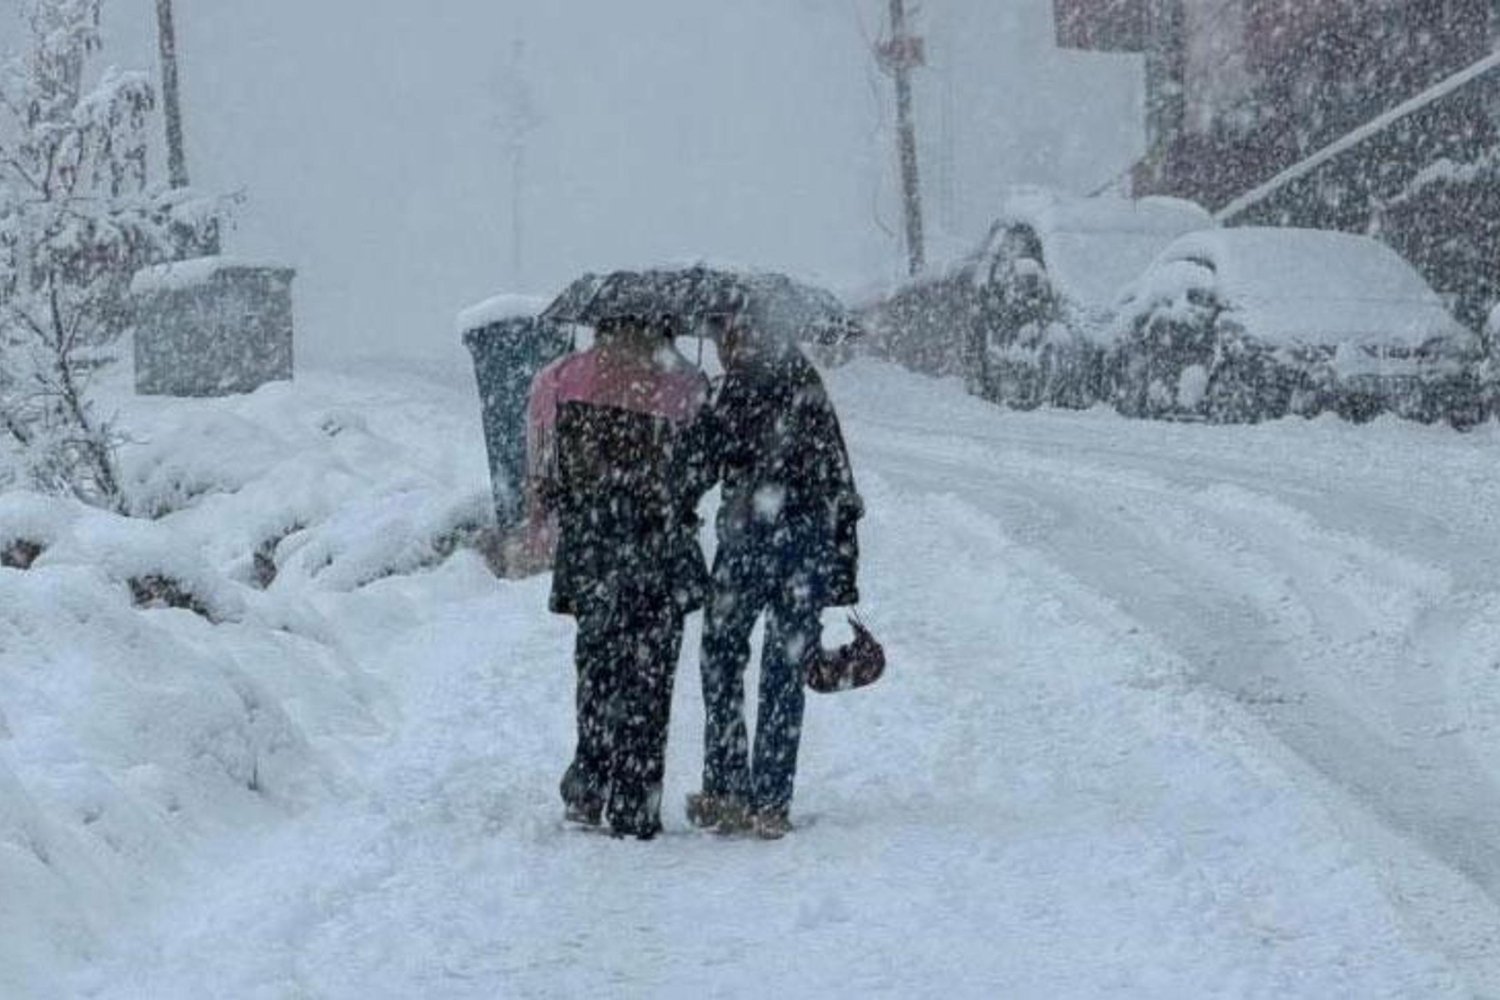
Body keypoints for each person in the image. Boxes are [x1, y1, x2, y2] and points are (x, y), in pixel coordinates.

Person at [529, 312, 709, 840]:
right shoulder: (686, 386)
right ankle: (636, 802)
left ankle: (588, 787)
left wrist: (571, 508)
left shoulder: (561, 380)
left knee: (598, 672)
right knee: (651, 682)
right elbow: (698, 473)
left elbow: (544, 473)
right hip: (660, 552)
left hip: (593, 551)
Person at [684, 309, 863, 839]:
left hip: (747, 540)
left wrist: (700, 414)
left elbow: (699, 467)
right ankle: (770, 803)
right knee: (785, 669)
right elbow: (838, 474)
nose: (719, 347)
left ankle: (727, 788)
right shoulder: (805, 381)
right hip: (805, 545)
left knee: (721, 656)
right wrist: (842, 559)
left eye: (723, 336)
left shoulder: (730, 392)